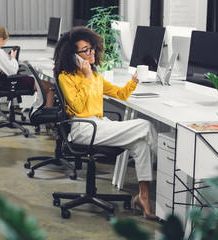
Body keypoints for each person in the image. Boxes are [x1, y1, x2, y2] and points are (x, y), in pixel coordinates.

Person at [53, 26, 158, 220]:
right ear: (73, 55)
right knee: (145, 126)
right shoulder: (65, 77)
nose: (91, 52)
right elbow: (76, 106)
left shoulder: (95, 76)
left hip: (99, 125)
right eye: (85, 50)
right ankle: (173, 173)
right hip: (83, 128)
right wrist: (85, 79)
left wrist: (134, 79)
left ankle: (143, 198)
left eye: (92, 48)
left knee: (141, 145)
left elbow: (121, 94)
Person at [0, 26, 55, 108]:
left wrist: (9, 60)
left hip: (5, 81)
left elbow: (5, 69)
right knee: (51, 87)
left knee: (42, 83)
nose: (4, 44)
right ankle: (49, 119)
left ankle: (41, 111)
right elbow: (12, 72)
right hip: (11, 82)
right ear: (0, 40)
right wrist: (13, 58)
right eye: (5, 42)